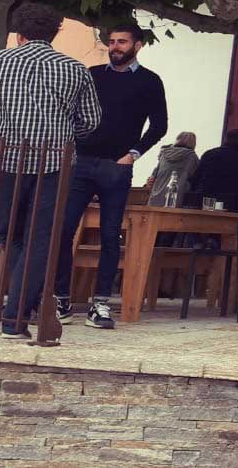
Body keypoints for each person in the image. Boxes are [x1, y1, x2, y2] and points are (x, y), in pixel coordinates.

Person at [0, 3, 101, 340]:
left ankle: (16, 311)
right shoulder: (75, 69)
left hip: (7, 161)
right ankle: (18, 313)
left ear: (19, 34)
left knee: (10, 234)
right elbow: (91, 121)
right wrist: (63, 132)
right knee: (40, 239)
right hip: (55, 164)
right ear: (55, 33)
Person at [53, 21, 167, 331]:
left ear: (137, 45)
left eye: (122, 42)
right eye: (112, 41)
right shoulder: (92, 75)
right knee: (63, 230)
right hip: (80, 163)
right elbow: (70, 112)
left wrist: (133, 154)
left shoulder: (150, 82)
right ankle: (60, 299)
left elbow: (160, 125)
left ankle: (100, 304)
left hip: (117, 168)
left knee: (109, 236)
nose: (115, 47)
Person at [190, 129, 238, 214]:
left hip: (208, 201)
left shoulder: (209, 154)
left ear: (225, 139)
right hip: (235, 205)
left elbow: (195, 178)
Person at [148, 132, 199, 209]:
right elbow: (197, 178)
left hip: (155, 198)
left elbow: (154, 175)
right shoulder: (192, 157)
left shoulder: (164, 154)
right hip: (177, 199)